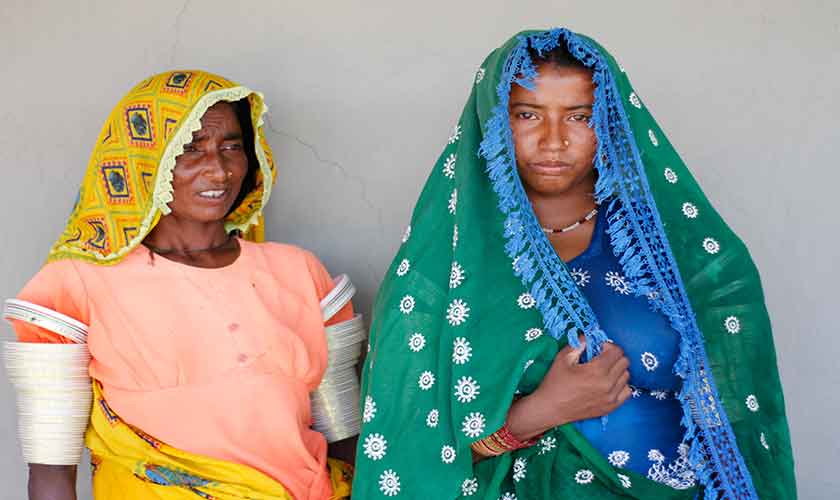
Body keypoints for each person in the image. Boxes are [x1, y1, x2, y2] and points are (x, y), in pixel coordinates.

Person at [353, 28, 795, 499]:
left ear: (610, 122)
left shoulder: (688, 257)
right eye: (527, 114)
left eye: (579, 116)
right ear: (493, 121)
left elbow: (743, 423)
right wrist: (540, 411)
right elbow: (402, 449)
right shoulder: (440, 272)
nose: (553, 140)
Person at [9, 70, 357, 499]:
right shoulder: (77, 282)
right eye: (191, 149)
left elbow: (346, 442)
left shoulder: (299, 272)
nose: (219, 170)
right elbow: (51, 472)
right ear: (144, 159)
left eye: (232, 147)